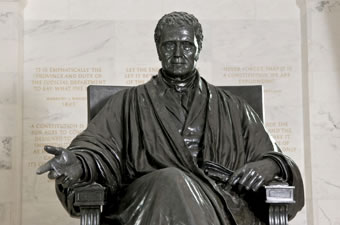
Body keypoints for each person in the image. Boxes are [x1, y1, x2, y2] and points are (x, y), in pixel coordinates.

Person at [37, 12, 304, 225]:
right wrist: (78, 161)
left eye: (187, 45)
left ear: (199, 49)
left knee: (176, 181)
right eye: (170, 45)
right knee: (171, 180)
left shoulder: (234, 107)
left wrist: (269, 166)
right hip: (146, 200)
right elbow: (99, 149)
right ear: (158, 48)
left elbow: (277, 159)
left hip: (220, 205)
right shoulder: (128, 103)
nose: (178, 53)